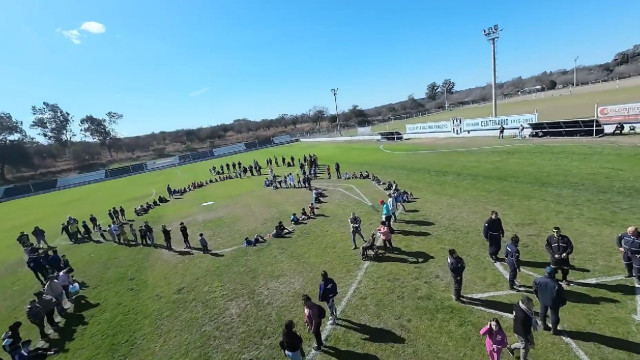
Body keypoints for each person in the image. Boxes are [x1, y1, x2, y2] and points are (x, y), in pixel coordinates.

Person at [533, 267, 566, 335]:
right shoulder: (556, 284)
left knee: (542, 312)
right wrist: (563, 302)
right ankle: (554, 330)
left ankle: (543, 325)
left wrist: (539, 297)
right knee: (554, 315)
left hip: (542, 299)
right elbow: (561, 295)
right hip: (553, 302)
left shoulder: (538, 280)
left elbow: (535, 290)